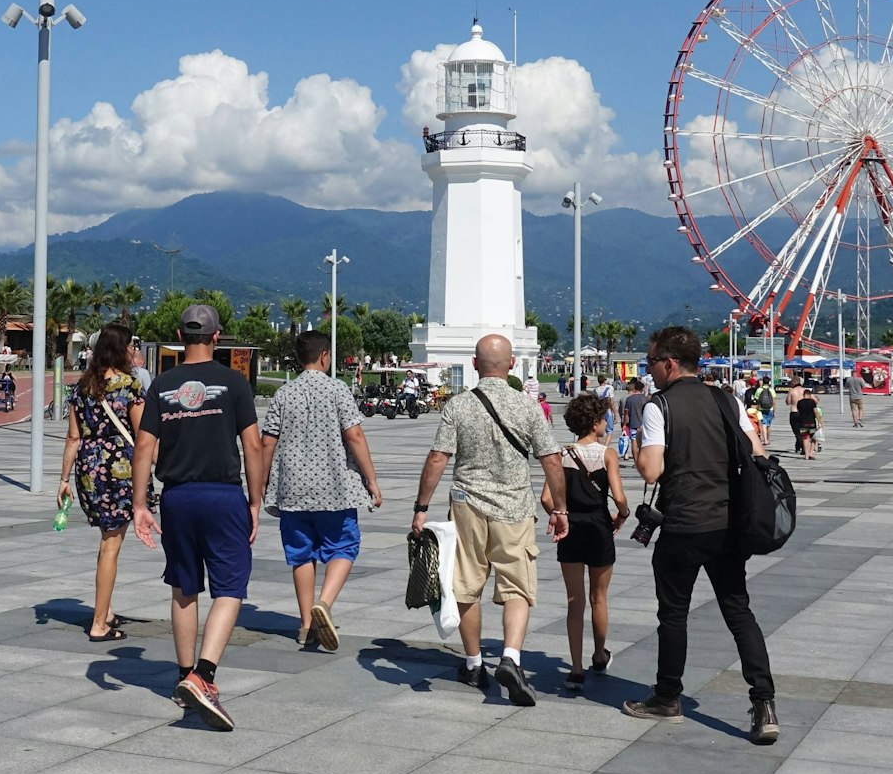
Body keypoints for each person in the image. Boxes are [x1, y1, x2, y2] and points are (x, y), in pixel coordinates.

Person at [624, 325, 778, 745]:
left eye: (651, 361)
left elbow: (651, 470)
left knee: (673, 614)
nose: (649, 369)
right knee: (738, 611)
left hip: (684, 525)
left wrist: (638, 439)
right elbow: (757, 453)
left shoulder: (660, 407)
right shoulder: (725, 398)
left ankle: (667, 697)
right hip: (729, 525)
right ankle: (764, 703)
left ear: (670, 363)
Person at [412, 334, 569, 706]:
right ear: (512, 364)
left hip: (467, 505)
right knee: (517, 588)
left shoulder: (458, 405)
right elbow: (551, 459)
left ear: (474, 363)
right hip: (514, 508)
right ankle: (511, 657)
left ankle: (473, 663)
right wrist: (560, 508)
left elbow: (438, 458)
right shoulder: (528, 406)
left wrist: (421, 507)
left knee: (466, 586)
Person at [130, 305, 264, 732]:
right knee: (231, 585)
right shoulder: (233, 383)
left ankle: (182, 674)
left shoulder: (163, 385)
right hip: (223, 494)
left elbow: (144, 446)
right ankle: (203, 676)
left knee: (184, 585)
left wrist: (139, 504)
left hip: (177, 497)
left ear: (178, 335)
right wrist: (256, 501)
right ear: (217, 336)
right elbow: (254, 447)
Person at [259, 330, 383, 651]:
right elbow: (354, 435)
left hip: (292, 490)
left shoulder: (284, 394)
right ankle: (324, 605)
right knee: (344, 546)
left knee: (300, 553)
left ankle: (304, 625)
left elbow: (267, 441)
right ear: (325, 356)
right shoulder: (338, 390)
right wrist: (371, 479)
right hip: (335, 488)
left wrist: (260, 482)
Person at [58, 324, 145, 642]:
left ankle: (105, 610)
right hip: (119, 471)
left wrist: (64, 480)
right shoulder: (129, 386)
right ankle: (99, 623)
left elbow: (72, 437)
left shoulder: (82, 387)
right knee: (111, 546)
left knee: (107, 542)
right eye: (130, 346)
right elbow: (143, 434)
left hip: (88, 471)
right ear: (120, 349)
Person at [543, 393, 627, 688]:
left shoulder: (559, 455)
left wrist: (560, 513)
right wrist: (623, 516)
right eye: (604, 418)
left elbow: (545, 498)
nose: (607, 423)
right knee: (599, 598)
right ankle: (599, 655)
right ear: (594, 423)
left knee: (574, 601)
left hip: (571, 528)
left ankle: (576, 668)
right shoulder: (607, 454)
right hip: (599, 526)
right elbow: (618, 498)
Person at [623, 377, 648, 457]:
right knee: (643, 443)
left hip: (633, 423)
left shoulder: (629, 399)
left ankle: (636, 460)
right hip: (644, 425)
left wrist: (624, 424)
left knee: (634, 442)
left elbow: (626, 413)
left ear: (635, 389)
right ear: (642, 389)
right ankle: (642, 458)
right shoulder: (646, 399)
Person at [796, 387, 820, 460]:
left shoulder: (799, 402)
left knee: (805, 439)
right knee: (813, 438)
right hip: (811, 423)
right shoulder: (812, 402)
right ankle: (810, 453)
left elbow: (798, 412)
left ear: (804, 395)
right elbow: (815, 412)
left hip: (802, 423)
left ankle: (806, 455)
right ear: (810, 395)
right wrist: (820, 421)